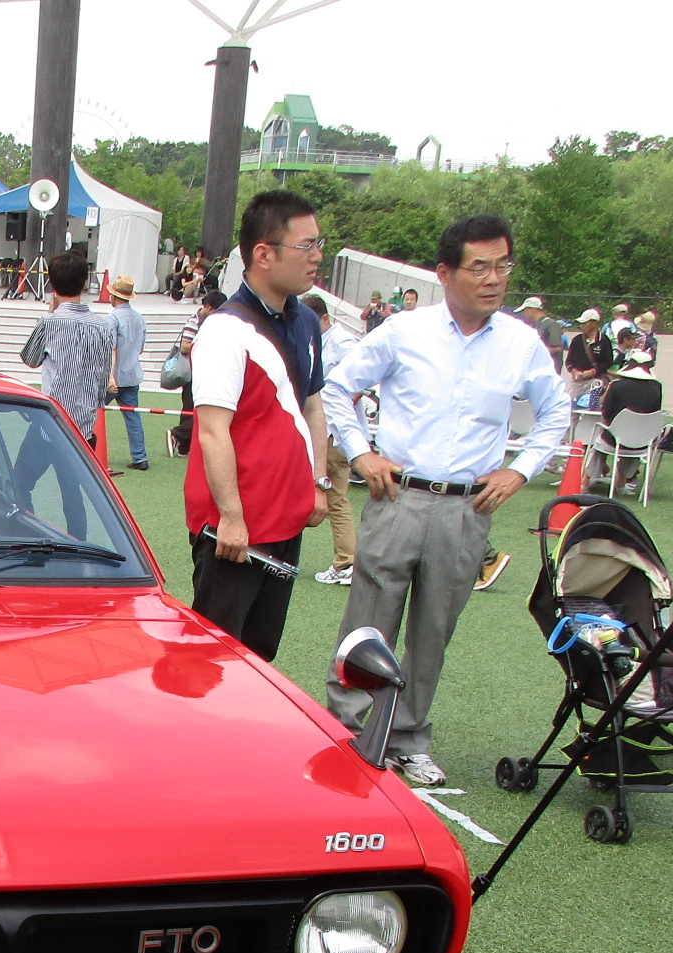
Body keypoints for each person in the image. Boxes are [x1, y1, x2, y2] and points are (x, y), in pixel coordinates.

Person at [321, 213, 569, 787]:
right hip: (398, 496)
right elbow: (339, 388)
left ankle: (407, 736)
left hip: (468, 508)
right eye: (478, 266)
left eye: (502, 265)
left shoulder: (519, 343)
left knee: (434, 627)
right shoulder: (405, 331)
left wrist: (520, 470)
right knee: (368, 621)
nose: (493, 278)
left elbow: (557, 410)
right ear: (445, 273)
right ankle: (349, 729)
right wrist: (360, 453)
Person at [183, 190, 330, 662]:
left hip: (286, 518)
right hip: (235, 528)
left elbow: (313, 408)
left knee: (260, 654)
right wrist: (230, 516)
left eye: (318, 243)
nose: (317, 256)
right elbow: (212, 431)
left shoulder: (306, 321)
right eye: (306, 245)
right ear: (263, 254)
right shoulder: (225, 329)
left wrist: (319, 484)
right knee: (214, 656)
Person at [19, 248, 114, 447]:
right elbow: (103, 378)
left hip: (52, 419)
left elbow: (30, 359)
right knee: (77, 478)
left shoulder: (50, 321)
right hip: (85, 423)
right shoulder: (103, 327)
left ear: (52, 284)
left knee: (22, 475)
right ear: (84, 283)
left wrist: (50, 313)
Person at [304, 294, 358, 586]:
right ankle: (346, 560)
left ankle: (347, 561)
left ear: (323, 318)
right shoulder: (324, 342)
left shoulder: (344, 343)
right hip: (324, 432)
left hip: (333, 434)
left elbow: (358, 383)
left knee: (334, 499)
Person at [588, 351, 664, 495]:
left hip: (613, 440)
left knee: (600, 440)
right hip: (642, 443)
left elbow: (605, 413)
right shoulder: (657, 388)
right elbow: (654, 412)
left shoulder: (616, 386)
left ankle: (586, 480)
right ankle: (622, 482)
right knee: (632, 438)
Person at [168, 288, 226, 458]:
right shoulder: (194, 322)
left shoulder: (211, 322)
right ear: (207, 307)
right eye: (217, 310)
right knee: (195, 409)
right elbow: (185, 345)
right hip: (193, 372)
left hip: (204, 370)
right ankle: (177, 434)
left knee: (192, 408)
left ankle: (183, 445)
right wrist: (205, 344)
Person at [105, 275, 150, 471]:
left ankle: (86, 450)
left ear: (113, 295)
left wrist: (110, 376)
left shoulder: (112, 318)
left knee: (93, 412)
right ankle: (140, 456)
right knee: (133, 417)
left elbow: (111, 349)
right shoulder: (139, 318)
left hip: (114, 376)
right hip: (132, 375)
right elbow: (140, 348)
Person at [565, 307, 613, 388]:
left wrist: (594, 371)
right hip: (577, 382)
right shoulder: (577, 340)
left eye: (585, 323)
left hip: (595, 381)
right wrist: (573, 371)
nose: (582, 326)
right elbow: (569, 362)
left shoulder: (604, 340)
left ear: (594, 323)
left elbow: (608, 362)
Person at [516, 296, 564, 373]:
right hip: (536, 368)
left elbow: (557, 348)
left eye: (524, 311)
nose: (523, 314)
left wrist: (532, 352)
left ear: (530, 310)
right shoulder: (535, 325)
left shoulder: (551, 324)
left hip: (549, 370)